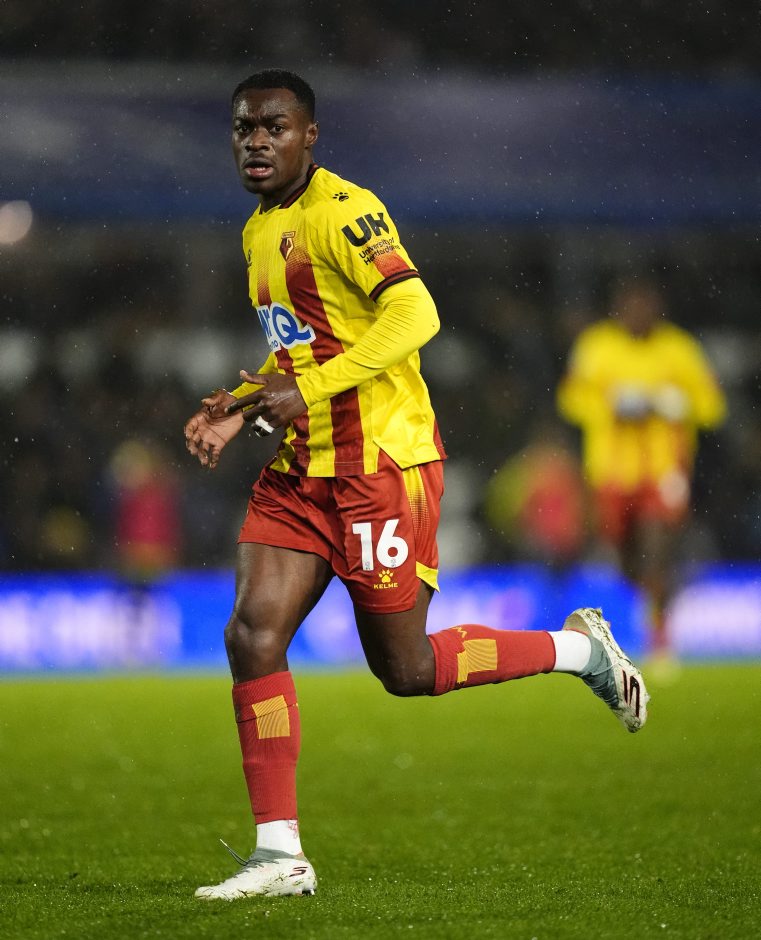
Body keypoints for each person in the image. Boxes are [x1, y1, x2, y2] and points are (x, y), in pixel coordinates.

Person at [184, 68, 649, 902]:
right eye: (244, 127)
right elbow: (303, 352)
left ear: (308, 136)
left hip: (380, 469)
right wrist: (241, 404)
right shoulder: (258, 230)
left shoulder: (345, 211)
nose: (255, 141)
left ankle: (578, 651)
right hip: (301, 473)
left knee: (406, 668)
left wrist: (307, 389)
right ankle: (278, 854)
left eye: (274, 127)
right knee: (251, 635)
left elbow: (415, 314)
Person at [557, 275, 726, 666]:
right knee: (622, 556)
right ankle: (658, 598)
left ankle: (660, 633)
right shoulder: (596, 346)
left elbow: (712, 405)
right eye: (631, 308)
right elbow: (571, 398)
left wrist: (678, 404)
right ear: (618, 310)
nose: (638, 315)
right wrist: (611, 406)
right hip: (612, 470)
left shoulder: (679, 349)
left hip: (664, 467)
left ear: (658, 310)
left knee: (656, 542)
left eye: (646, 307)